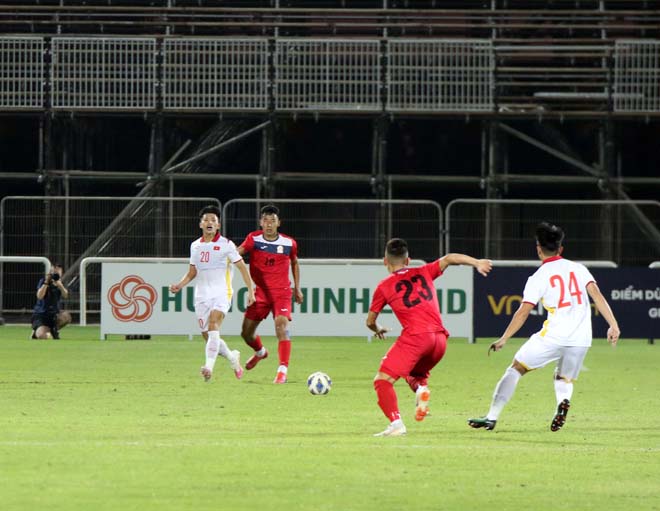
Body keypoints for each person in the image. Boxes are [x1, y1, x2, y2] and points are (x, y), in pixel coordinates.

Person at [468, 222, 620, 432]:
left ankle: (492, 417)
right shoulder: (579, 269)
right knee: (564, 377)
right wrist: (613, 325)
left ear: (538, 248)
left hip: (553, 336)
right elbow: (598, 296)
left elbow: (523, 312)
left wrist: (504, 338)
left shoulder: (538, 277)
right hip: (581, 339)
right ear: (561, 249)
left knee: (516, 368)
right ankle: (562, 402)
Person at [367, 238, 492, 437]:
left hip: (416, 338)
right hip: (440, 341)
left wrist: (377, 329)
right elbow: (450, 258)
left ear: (385, 261)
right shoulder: (424, 271)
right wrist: (477, 262)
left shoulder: (384, 286)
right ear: (408, 261)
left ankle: (396, 424)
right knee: (412, 373)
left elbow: (370, 321)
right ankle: (420, 390)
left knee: (382, 381)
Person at [170, 205, 255, 382]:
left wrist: (250, 290)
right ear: (200, 224)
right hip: (201, 296)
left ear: (218, 226)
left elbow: (241, 267)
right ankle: (232, 357)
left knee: (214, 323)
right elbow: (192, 272)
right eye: (206, 220)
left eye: (213, 220)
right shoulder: (195, 246)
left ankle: (208, 367)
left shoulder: (226, 245)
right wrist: (180, 284)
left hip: (222, 293)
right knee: (207, 335)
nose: (210, 222)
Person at [237, 204, 303, 384]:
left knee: (281, 327)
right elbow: (237, 254)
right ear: (260, 222)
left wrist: (297, 287)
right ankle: (260, 352)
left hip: (281, 293)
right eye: (265, 220)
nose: (268, 224)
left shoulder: (289, 243)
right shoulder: (253, 239)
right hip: (260, 293)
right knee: (246, 334)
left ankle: (282, 370)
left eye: (272, 221)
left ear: (278, 223)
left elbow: (295, 263)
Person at [31, 263, 72, 339]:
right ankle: (39, 331)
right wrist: (46, 283)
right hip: (41, 315)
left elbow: (66, 295)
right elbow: (39, 296)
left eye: (58, 272)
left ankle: (54, 329)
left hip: (54, 315)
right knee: (42, 336)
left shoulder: (60, 283)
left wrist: (60, 286)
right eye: (54, 271)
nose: (55, 274)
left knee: (67, 316)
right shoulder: (43, 281)